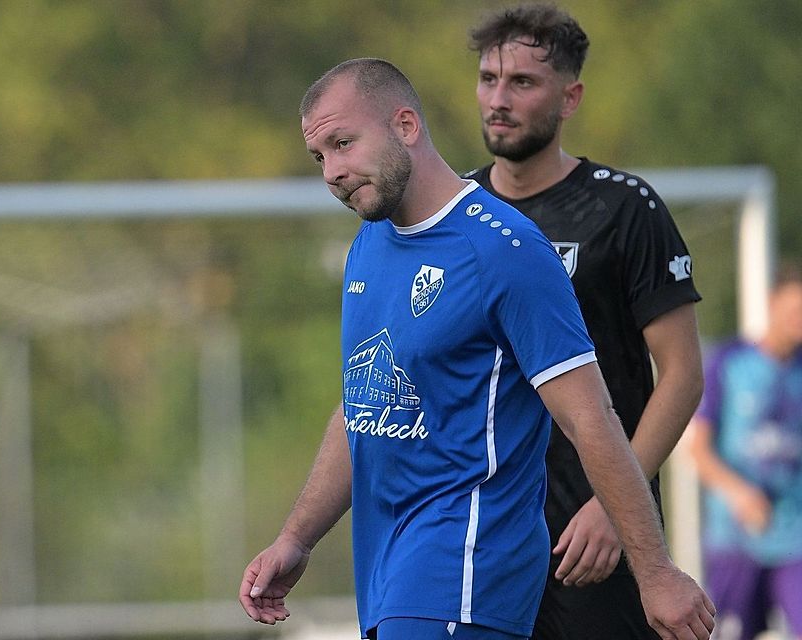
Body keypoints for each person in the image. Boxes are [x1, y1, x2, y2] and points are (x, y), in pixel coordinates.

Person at [238, 57, 714, 640]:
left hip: (465, 569)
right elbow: (361, 408)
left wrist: (657, 574)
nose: (332, 171)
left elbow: (591, 417)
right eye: (320, 157)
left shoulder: (504, 250)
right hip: (390, 578)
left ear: (406, 126)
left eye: (343, 143)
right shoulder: (368, 246)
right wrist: (295, 538)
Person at [461, 5, 705, 639]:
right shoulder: (456, 214)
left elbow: (681, 374)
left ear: (569, 97)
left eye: (522, 83)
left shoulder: (623, 208)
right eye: (489, 79)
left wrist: (615, 508)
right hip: (481, 536)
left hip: (590, 540)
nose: (498, 99)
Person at [687, 263, 802, 640]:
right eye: (794, 311)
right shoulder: (730, 362)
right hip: (736, 538)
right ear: (771, 305)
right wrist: (739, 493)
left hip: (794, 536)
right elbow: (699, 450)